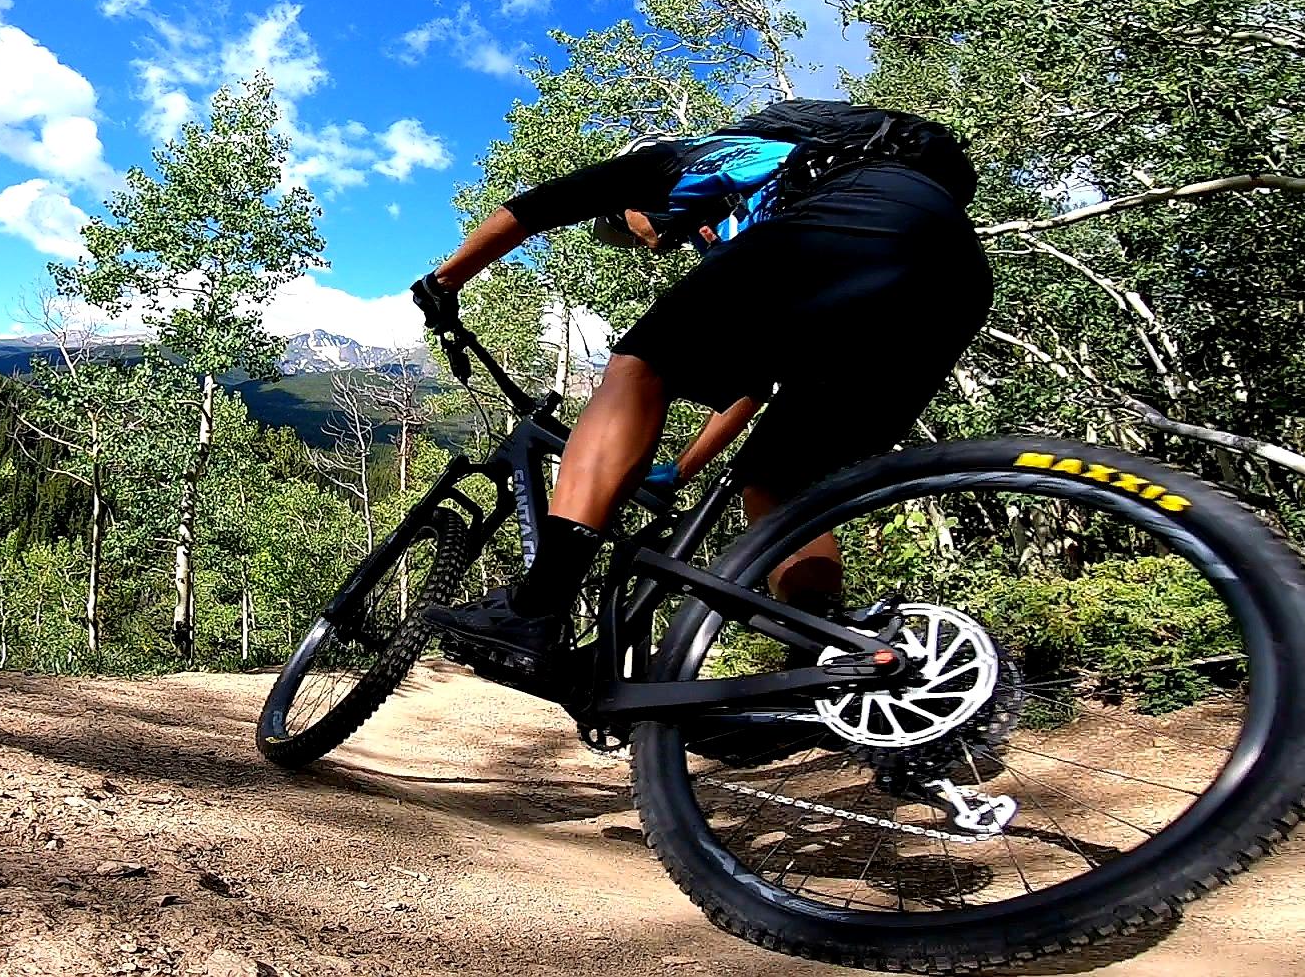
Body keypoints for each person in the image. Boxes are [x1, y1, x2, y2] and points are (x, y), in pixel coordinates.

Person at [414, 99, 992, 671]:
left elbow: (540, 206)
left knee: (637, 365)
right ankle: (828, 666)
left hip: (866, 221)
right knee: (776, 488)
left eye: (623, 227)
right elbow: (754, 384)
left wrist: (443, 283)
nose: (645, 244)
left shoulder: (689, 159)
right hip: (953, 274)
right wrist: (682, 471)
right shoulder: (763, 207)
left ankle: (537, 607)